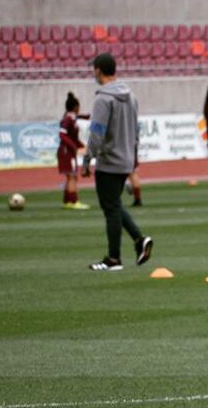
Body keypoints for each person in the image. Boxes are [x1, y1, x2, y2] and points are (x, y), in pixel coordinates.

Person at [81, 53, 152, 271]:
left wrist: (87, 159)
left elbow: (96, 133)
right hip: (126, 159)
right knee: (114, 204)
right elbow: (136, 130)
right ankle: (139, 241)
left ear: (98, 70)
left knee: (110, 208)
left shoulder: (103, 98)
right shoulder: (130, 96)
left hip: (109, 160)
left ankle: (113, 259)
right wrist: (134, 157)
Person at [58, 92, 90, 210]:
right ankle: (74, 201)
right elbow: (62, 134)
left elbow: (82, 117)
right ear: (76, 107)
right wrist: (73, 146)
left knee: (70, 176)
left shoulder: (71, 117)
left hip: (68, 151)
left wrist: (81, 145)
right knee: (72, 176)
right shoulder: (68, 118)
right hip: (66, 151)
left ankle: (67, 201)